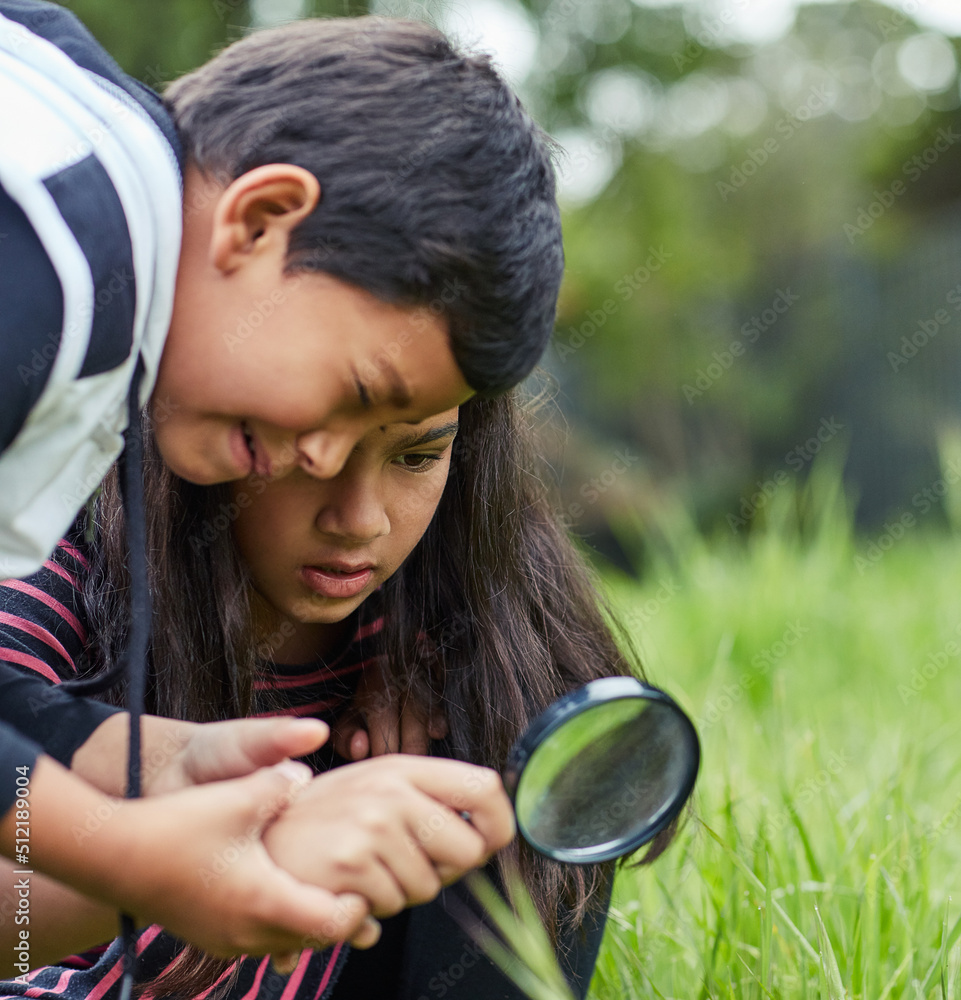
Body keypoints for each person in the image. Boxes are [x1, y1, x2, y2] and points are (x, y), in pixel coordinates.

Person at [0, 0, 563, 957]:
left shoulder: (76, 149)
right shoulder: (61, 263)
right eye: (353, 393)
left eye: (403, 441)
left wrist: (138, 759)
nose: (327, 458)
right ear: (260, 221)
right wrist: (138, 864)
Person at [0, 390, 675, 997]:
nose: (360, 521)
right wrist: (236, 852)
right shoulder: (46, 581)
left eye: (415, 456)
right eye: (312, 455)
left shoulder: (479, 649)